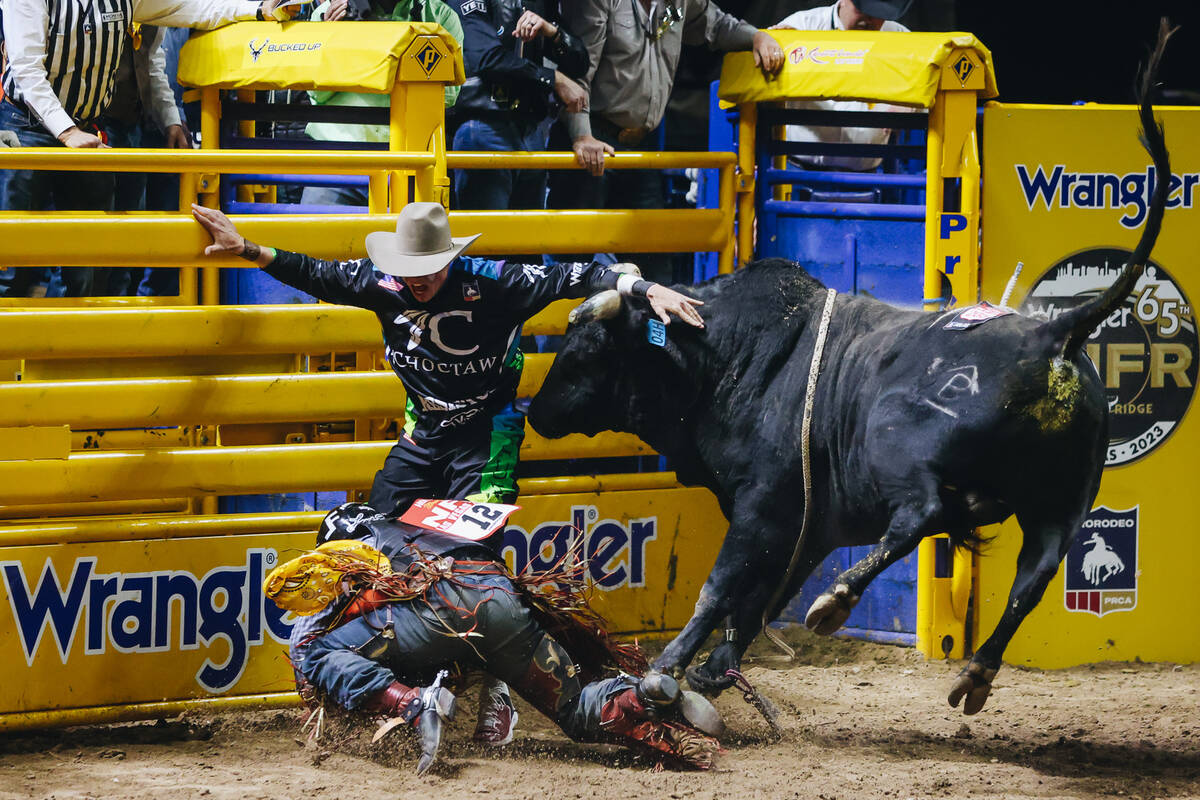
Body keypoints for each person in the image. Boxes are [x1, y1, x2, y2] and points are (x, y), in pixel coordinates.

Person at [192, 199, 704, 744]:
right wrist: (247, 247)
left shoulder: (496, 281)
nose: (418, 280)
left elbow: (575, 275)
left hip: (486, 434)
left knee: (473, 560)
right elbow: (318, 273)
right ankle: (409, 682)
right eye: (410, 270)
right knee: (377, 550)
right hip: (424, 432)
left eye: (429, 269)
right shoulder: (381, 283)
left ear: (450, 259)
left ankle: (497, 689)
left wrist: (645, 289)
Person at [266, 502, 724, 774]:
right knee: (576, 710)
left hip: (439, 607)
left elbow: (306, 645)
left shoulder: (342, 553)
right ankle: (643, 696)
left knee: (322, 652)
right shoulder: (424, 523)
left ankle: (411, 703)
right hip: (499, 597)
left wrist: (336, 694)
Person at [0, 0, 291, 297]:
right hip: (27, 125)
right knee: (9, 260)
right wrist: (67, 130)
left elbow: (188, 7)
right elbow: (26, 68)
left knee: (85, 267)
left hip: (86, 130)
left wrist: (258, 9)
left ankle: (68, 342)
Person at [545, 0, 785, 283]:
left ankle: (655, 327)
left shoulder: (679, 3)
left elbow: (717, 25)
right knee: (573, 258)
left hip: (640, 146)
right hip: (594, 140)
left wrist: (756, 36)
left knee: (653, 259)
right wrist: (582, 136)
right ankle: (556, 327)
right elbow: (578, 71)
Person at [300, 0, 464, 209]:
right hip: (337, 164)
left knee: (409, 242)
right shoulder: (328, 15)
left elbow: (448, 96)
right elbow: (318, 93)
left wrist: (377, 63)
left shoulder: (442, 16)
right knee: (317, 241)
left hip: (410, 167)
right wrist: (341, 37)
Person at [449, 0, 588, 212]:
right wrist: (553, 78)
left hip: (531, 131)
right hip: (484, 127)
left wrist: (553, 32)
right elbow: (486, 58)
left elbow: (580, 63)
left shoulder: (537, 3)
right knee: (487, 238)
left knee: (528, 240)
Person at [772, 0, 912, 173]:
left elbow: (927, 86)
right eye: (863, 10)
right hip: (798, 172)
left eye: (880, 14)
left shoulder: (901, 38)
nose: (871, 18)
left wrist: (908, 104)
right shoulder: (801, 26)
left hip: (868, 177)